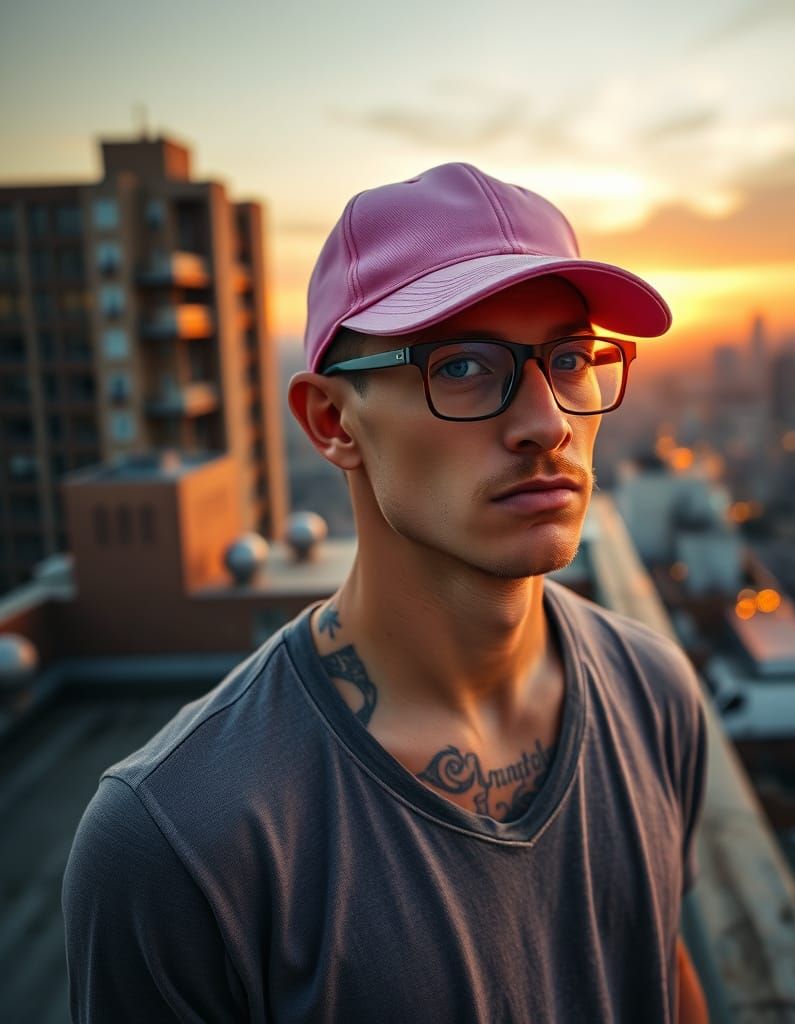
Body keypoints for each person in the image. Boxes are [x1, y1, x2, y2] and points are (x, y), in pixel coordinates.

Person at [63, 162, 709, 1022]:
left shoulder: (652, 694)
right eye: (467, 367)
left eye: (569, 358)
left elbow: (660, 979)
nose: (548, 421)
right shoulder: (179, 839)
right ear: (333, 422)